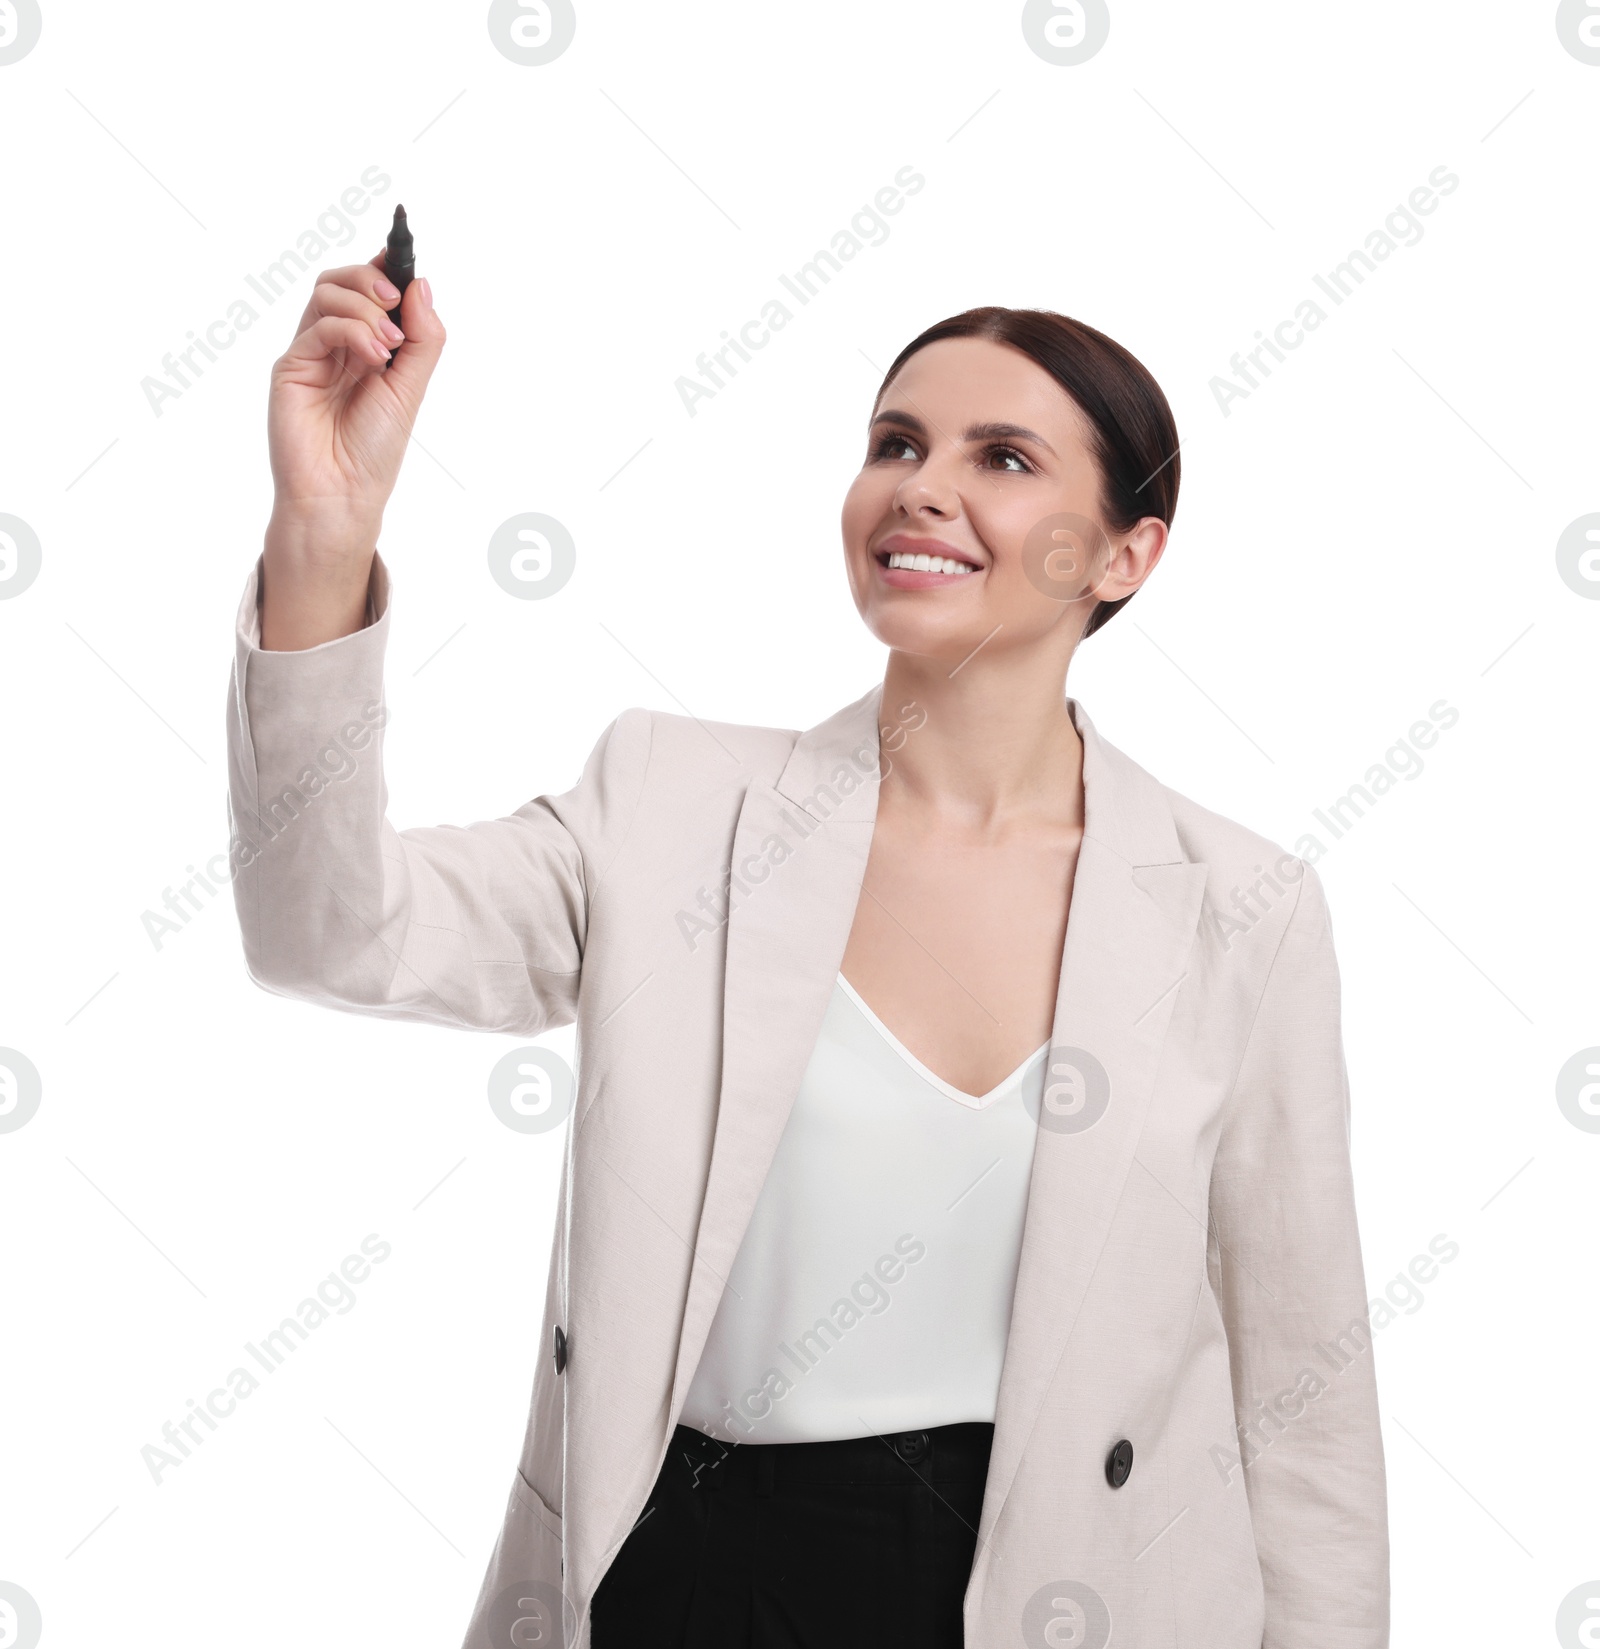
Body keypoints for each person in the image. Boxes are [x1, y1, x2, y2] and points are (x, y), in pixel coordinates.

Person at [226, 254, 1389, 1648]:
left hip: (1059, 1589)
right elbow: (329, 930)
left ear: (1127, 554)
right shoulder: (668, 806)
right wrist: (323, 536)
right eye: (895, 442)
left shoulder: (1239, 907)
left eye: (1002, 457)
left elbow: (1305, 1403)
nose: (920, 486)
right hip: (687, 1578)